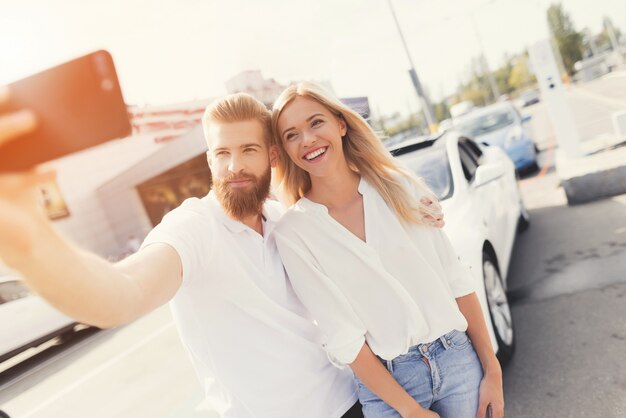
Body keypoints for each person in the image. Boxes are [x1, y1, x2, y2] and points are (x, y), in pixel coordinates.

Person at [0, 86, 443, 418]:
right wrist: (31, 244)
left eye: (247, 150)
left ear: (271, 155)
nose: (234, 166)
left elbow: (368, 249)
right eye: (221, 153)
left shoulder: (286, 219)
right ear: (208, 160)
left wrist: (414, 209)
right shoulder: (193, 229)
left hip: (352, 402)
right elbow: (121, 294)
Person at [271, 82, 505, 418]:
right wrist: (409, 410)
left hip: (458, 361)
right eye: (291, 134)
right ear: (285, 149)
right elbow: (344, 338)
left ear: (340, 124)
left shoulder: (399, 187)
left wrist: (492, 370)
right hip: (388, 388)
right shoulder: (295, 233)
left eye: (315, 123)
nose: (307, 139)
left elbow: (456, 280)